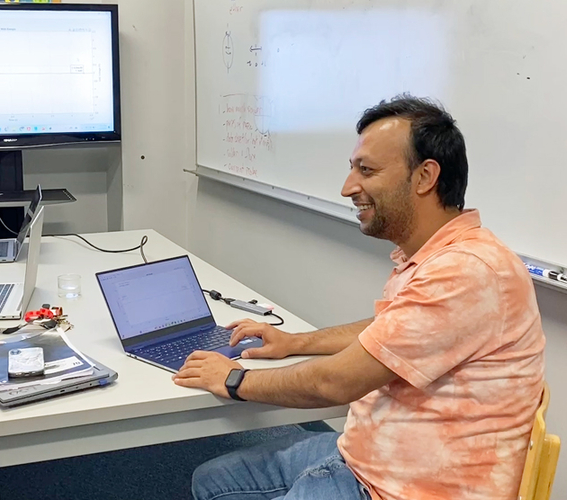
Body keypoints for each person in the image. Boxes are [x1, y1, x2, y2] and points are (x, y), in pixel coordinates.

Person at [176, 95, 545, 500]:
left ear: (425, 177)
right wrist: (296, 343)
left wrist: (231, 379)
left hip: (412, 487)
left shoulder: (466, 271)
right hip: (374, 453)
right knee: (213, 481)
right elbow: (389, 331)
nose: (348, 187)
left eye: (366, 170)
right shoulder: (437, 256)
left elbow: (335, 383)